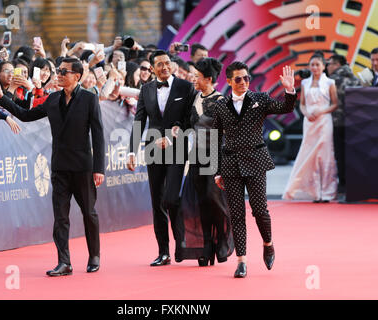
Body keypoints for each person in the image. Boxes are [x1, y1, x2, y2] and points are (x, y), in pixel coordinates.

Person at [0, 57, 105, 276]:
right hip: (60, 167)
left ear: (77, 76)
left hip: (84, 167)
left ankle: (94, 255)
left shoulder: (90, 99)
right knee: (60, 216)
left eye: (64, 71)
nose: (59, 74)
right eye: (58, 70)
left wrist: (99, 168)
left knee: (89, 213)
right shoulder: (52, 99)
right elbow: (25, 115)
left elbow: (98, 136)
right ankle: (64, 262)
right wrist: (1, 97)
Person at [213, 61, 296, 278]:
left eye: (247, 78)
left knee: (260, 210)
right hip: (231, 165)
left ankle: (268, 243)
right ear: (229, 81)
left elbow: (285, 108)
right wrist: (218, 170)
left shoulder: (260, 99)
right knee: (237, 214)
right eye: (238, 79)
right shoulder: (220, 106)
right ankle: (241, 261)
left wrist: (289, 89)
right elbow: (216, 139)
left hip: (256, 161)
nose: (243, 82)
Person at [127, 49, 196, 266]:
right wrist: (132, 151)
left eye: (167, 63)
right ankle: (163, 252)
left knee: (171, 198)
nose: (164, 67)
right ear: (153, 67)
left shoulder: (185, 87)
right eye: (160, 64)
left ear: (172, 64)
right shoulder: (146, 89)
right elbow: (139, 122)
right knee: (157, 201)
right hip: (153, 149)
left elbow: (191, 119)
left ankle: (182, 242)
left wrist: (174, 135)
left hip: (177, 148)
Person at [177, 57, 234, 266]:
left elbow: (230, 132)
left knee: (215, 200)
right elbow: (186, 124)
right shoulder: (194, 98)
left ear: (208, 79)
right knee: (200, 202)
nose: (193, 79)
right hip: (196, 157)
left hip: (217, 157)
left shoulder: (222, 101)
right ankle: (207, 246)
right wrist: (177, 129)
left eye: (197, 76)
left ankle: (221, 240)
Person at [283, 54, 338, 202]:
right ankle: (314, 192)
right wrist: (306, 113)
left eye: (317, 65)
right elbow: (301, 104)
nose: (314, 68)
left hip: (324, 121)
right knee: (309, 155)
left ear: (323, 66)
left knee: (325, 155)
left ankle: (327, 192)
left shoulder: (330, 82)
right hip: (309, 122)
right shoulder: (305, 83)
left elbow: (335, 104)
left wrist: (322, 111)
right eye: (312, 65)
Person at [326, 54, 361, 195]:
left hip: (337, 122)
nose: (327, 67)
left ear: (337, 65)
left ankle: (342, 184)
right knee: (353, 155)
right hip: (355, 124)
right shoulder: (356, 80)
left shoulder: (331, 81)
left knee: (339, 155)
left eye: (330, 64)